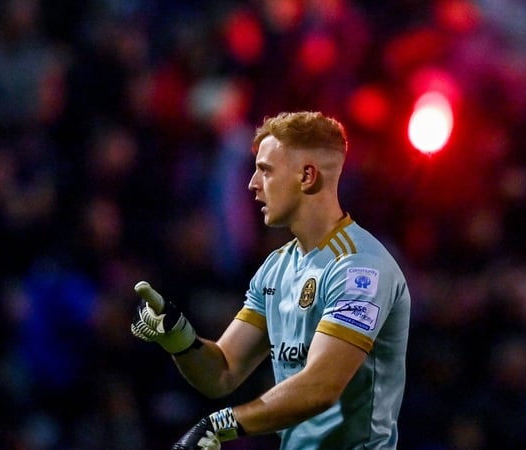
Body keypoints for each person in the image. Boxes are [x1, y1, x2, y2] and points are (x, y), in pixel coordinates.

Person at [131, 111, 411, 449]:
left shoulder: (359, 266)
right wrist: (178, 335)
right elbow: (222, 372)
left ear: (307, 177)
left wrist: (220, 423)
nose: (252, 183)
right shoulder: (276, 268)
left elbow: (320, 387)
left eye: (266, 170)